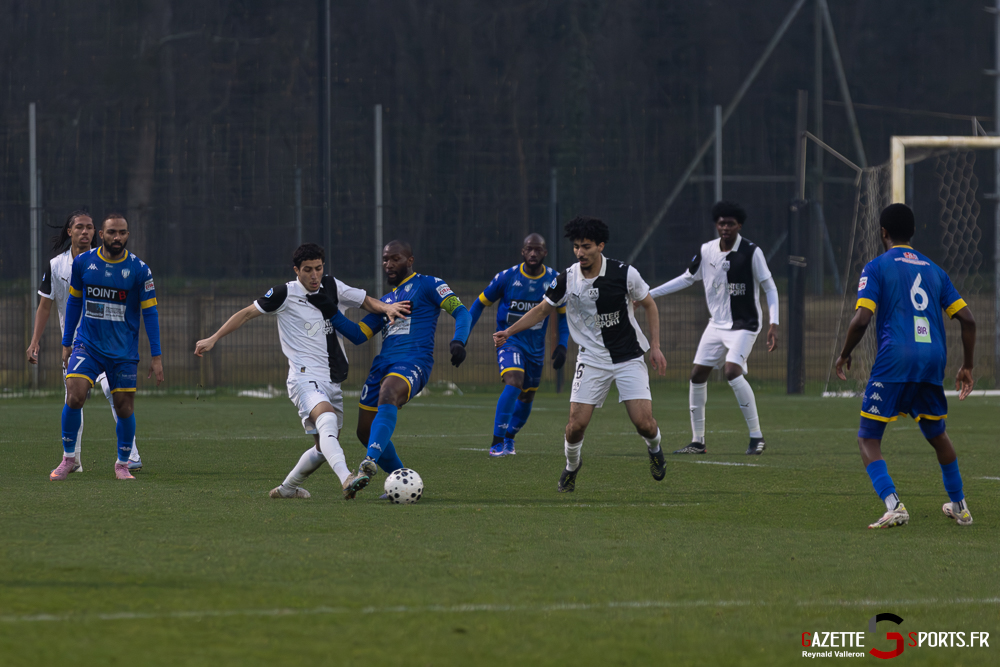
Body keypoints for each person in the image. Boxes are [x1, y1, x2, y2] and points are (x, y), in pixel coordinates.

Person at [194, 243, 409, 500]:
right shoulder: (285, 293)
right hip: (303, 376)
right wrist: (214, 338)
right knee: (326, 420)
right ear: (297, 270)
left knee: (323, 447)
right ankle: (347, 479)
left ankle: (286, 489)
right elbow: (247, 314)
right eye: (307, 270)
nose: (314, 275)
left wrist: (386, 308)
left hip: (332, 379)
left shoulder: (333, 286)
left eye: (318, 268)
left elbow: (366, 302)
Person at [493, 217, 668, 492]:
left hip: (627, 358)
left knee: (644, 424)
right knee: (575, 426)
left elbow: (649, 304)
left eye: (586, 246)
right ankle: (572, 467)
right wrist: (509, 331)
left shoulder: (624, 273)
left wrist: (655, 346)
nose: (580, 253)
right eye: (576, 247)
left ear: (600, 245)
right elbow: (541, 310)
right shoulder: (566, 279)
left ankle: (655, 449)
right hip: (591, 360)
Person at [835, 203, 976, 529]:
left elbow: (861, 319)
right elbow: (967, 319)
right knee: (936, 432)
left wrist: (844, 353)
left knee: (868, 437)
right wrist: (967, 365)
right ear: (912, 233)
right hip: (932, 360)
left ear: (883, 232)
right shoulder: (935, 270)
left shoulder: (876, 267)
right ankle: (961, 507)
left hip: (895, 358)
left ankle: (893, 504)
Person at [648, 200, 778, 456]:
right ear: (716, 225)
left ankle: (756, 437)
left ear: (739, 225)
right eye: (721, 223)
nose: (725, 227)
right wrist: (649, 294)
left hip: (745, 324)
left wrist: (774, 323)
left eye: (731, 223)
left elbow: (770, 287)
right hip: (716, 325)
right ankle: (698, 441)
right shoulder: (707, 250)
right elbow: (688, 277)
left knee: (731, 371)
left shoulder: (752, 252)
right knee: (697, 375)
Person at [348, 240, 472, 490]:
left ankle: (369, 462)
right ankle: (403, 481)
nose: (389, 264)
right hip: (381, 365)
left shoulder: (428, 284)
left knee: (389, 392)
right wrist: (331, 309)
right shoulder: (386, 301)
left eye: (396, 259)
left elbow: (462, 312)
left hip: (413, 361)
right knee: (364, 431)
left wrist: (459, 341)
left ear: (410, 260)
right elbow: (358, 334)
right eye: (385, 259)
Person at [28, 211, 144, 473]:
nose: (85, 232)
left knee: (113, 395)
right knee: (74, 397)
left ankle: (131, 455)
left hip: (110, 345)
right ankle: (73, 459)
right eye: (79, 227)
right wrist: (36, 340)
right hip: (78, 346)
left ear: (97, 233)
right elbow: (45, 306)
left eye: (90, 227)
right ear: (70, 231)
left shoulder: (107, 261)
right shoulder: (57, 266)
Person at [50, 213, 162, 481]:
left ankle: (123, 464)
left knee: (124, 407)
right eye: (112, 232)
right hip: (87, 345)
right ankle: (68, 459)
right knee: (74, 395)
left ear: (127, 235)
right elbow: (74, 302)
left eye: (122, 233)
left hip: (122, 351)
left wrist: (156, 356)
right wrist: (67, 343)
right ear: (102, 235)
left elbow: (151, 313)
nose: (117, 237)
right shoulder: (84, 263)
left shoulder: (139, 269)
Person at [468, 233, 569, 457]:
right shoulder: (506, 277)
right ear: (523, 252)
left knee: (527, 395)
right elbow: (478, 304)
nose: (533, 253)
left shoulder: (555, 280)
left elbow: (563, 316)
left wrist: (562, 345)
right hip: (509, 341)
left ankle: (509, 438)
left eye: (538, 249)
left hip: (535, 348)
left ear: (545, 252)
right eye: (529, 249)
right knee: (514, 380)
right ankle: (496, 443)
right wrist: (462, 335)